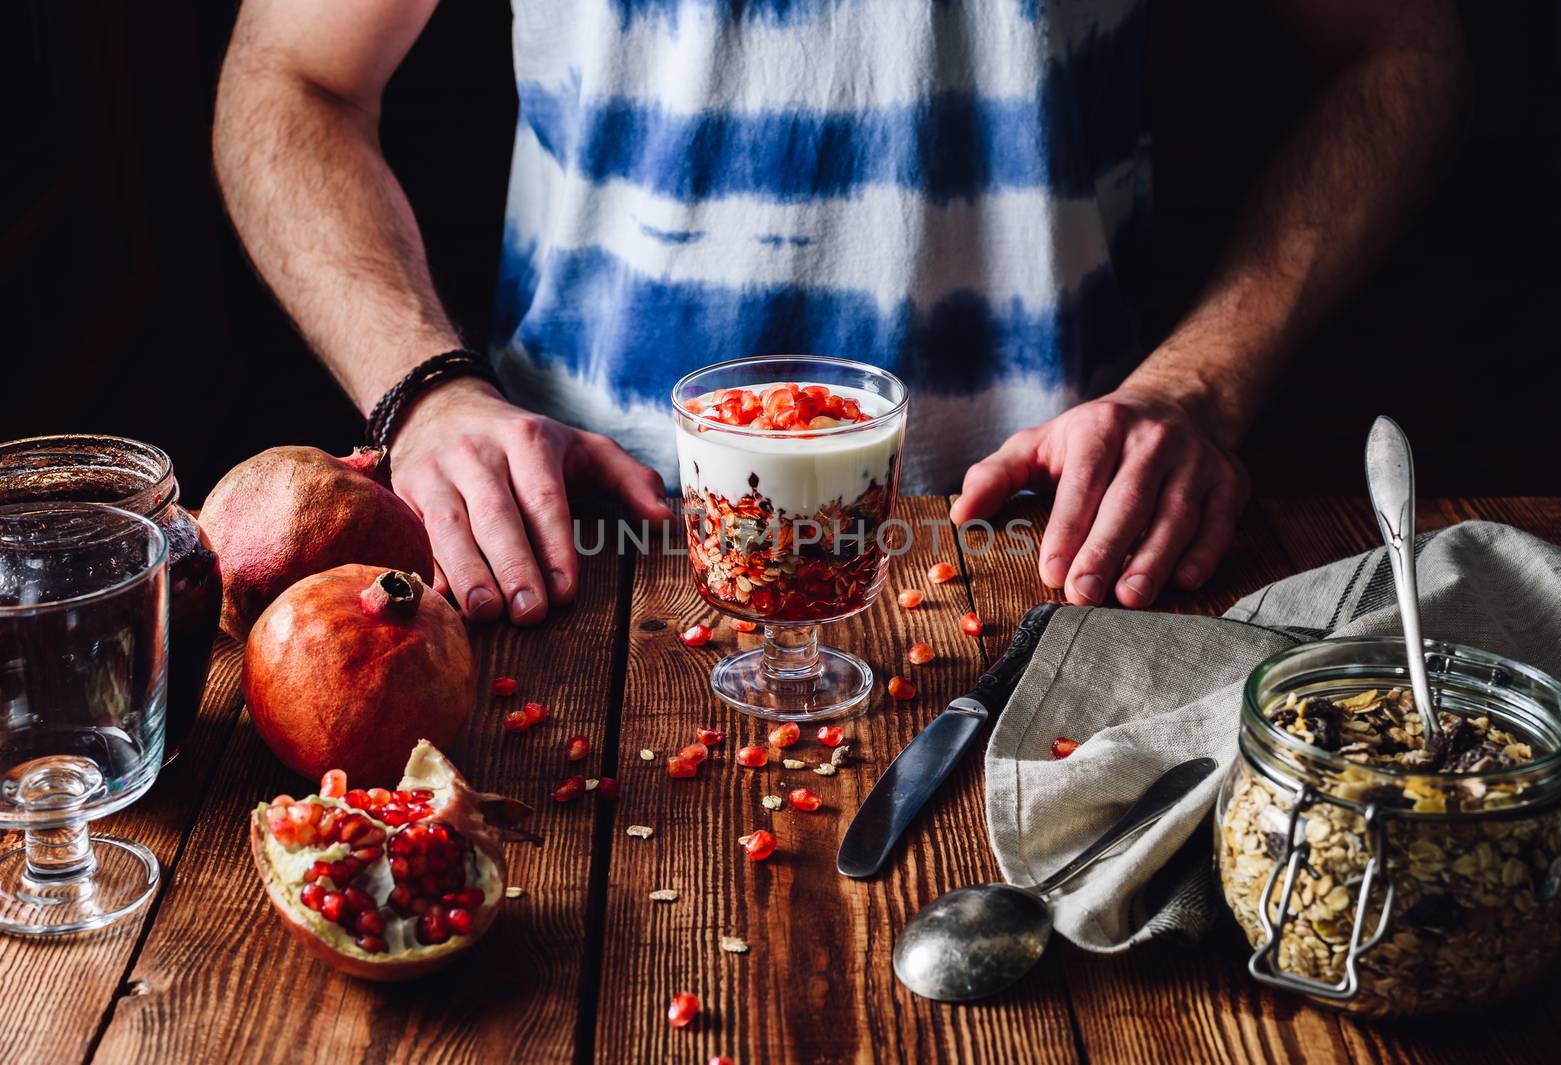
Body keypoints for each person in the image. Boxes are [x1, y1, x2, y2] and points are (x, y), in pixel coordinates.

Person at [214, 0, 1466, 625]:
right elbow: (292, 75)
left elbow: (1399, 44)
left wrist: (1198, 385)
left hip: (1061, 547)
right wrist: (423, 390)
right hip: (577, 550)